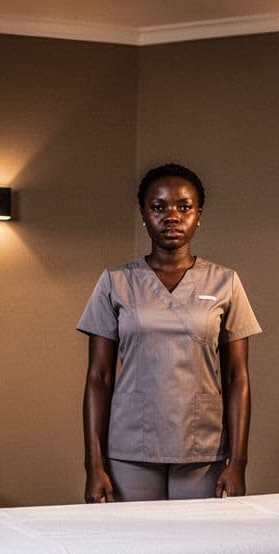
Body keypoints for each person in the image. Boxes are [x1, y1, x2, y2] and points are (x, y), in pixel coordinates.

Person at [77, 163, 262, 502]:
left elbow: (238, 378)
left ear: (199, 214)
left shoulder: (225, 283)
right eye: (159, 207)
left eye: (184, 206)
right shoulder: (116, 282)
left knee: (199, 549)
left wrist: (239, 462)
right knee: (135, 548)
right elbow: (98, 378)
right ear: (144, 215)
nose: (172, 216)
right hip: (131, 447)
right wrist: (93, 465)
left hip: (201, 448)